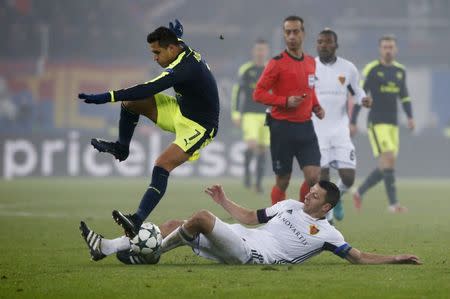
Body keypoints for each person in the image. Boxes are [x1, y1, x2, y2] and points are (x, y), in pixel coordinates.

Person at [77, 20, 220, 237]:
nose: (154, 58)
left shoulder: (183, 69)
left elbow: (148, 87)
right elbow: (176, 38)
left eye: (157, 52)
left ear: (171, 49)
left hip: (199, 126)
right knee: (131, 104)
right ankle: (122, 148)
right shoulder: (178, 47)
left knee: (162, 165)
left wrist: (108, 97)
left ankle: (137, 219)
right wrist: (175, 32)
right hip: (179, 111)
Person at [80, 181, 421, 266]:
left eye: (314, 196)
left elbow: (357, 257)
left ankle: (151, 252)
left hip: (253, 255)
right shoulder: (289, 204)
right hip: (242, 236)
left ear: (327, 206)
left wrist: (397, 258)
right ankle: (107, 248)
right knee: (174, 222)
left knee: (198, 219)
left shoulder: (328, 233)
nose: (307, 196)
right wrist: (223, 201)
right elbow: (248, 218)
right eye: (310, 190)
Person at [253, 16, 325, 205]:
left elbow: (310, 90)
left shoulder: (311, 62)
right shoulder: (276, 63)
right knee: (283, 181)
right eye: (288, 32)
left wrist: (316, 106)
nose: (291, 36)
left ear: (303, 33)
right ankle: (278, 218)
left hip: (305, 127)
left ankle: (301, 213)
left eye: (295, 31)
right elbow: (258, 93)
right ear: (284, 35)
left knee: (313, 176)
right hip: (281, 128)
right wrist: (284, 101)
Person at [310, 28, 372, 223]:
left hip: (340, 130)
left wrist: (364, 100)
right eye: (320, 42)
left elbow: (357, 91)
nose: (324, 45)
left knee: (348, 178)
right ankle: (327, 217)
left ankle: (339, 198)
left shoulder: (348, 68)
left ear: (336, 45)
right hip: (317, 130)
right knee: (323, 176)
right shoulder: (310, 67)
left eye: (328, 42)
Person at [350, 35, 414, 213]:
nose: (388, 50)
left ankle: (359, 192)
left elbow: (405, 96)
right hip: (377, 122)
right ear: (380, 49)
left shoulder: (400, 71)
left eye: (391, 47)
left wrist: (410, 117)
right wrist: (353, 121)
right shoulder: (372, 69)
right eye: (385, 47)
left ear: (396, 49)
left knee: (387, 164)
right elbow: (361, 95)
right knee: (389, 159)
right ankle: (393, 204)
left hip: (393, 123)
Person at [231, 39, 270, 193]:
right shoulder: (246, 69)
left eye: (263, 50)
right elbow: (237, 92)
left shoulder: (271, 69)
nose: (260, 53)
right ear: (254, 52)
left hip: (267, 114)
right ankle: (247, 172)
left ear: (266, 52)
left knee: (262, 149)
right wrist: (236, 113)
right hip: (249, 114)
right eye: (258, 50)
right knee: (252, 145)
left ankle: (258, 184)